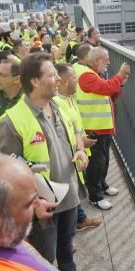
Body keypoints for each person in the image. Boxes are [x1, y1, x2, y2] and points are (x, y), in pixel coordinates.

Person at [0, 53, 89, 271]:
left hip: (69, 196)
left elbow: (76, 131)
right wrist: (34, 203)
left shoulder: (59, 104)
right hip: (42, 207)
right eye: (52, 74)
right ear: (35, 81)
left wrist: (80, 150)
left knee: (66, 247)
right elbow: (8, 173)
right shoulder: (11, 121)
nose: (59, 78)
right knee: (44, 256)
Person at [77, 47, 130, 210]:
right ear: (97, 60)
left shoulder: (94, 74)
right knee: (96, 163)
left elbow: (109, 93)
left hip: (102, 128)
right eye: (106, 58)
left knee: (104, 161)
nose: (108, 62)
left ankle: (103, 185)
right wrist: (120, 75)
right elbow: (107, 88)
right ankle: (95, 196)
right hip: (94, 129)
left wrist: (119, 84)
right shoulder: (86, 75)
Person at [54, 64, 101, 232]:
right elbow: (65, 133)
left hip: (78, 152)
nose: (77, 80)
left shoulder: (69, 98)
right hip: (70, 156)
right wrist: (80, 143)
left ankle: (79, 219)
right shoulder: (58, 104)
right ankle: (75, 224)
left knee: (75, 187)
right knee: (71, 189)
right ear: (65, 81)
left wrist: (81, 143)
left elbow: (75, 128)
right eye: (74, 77)